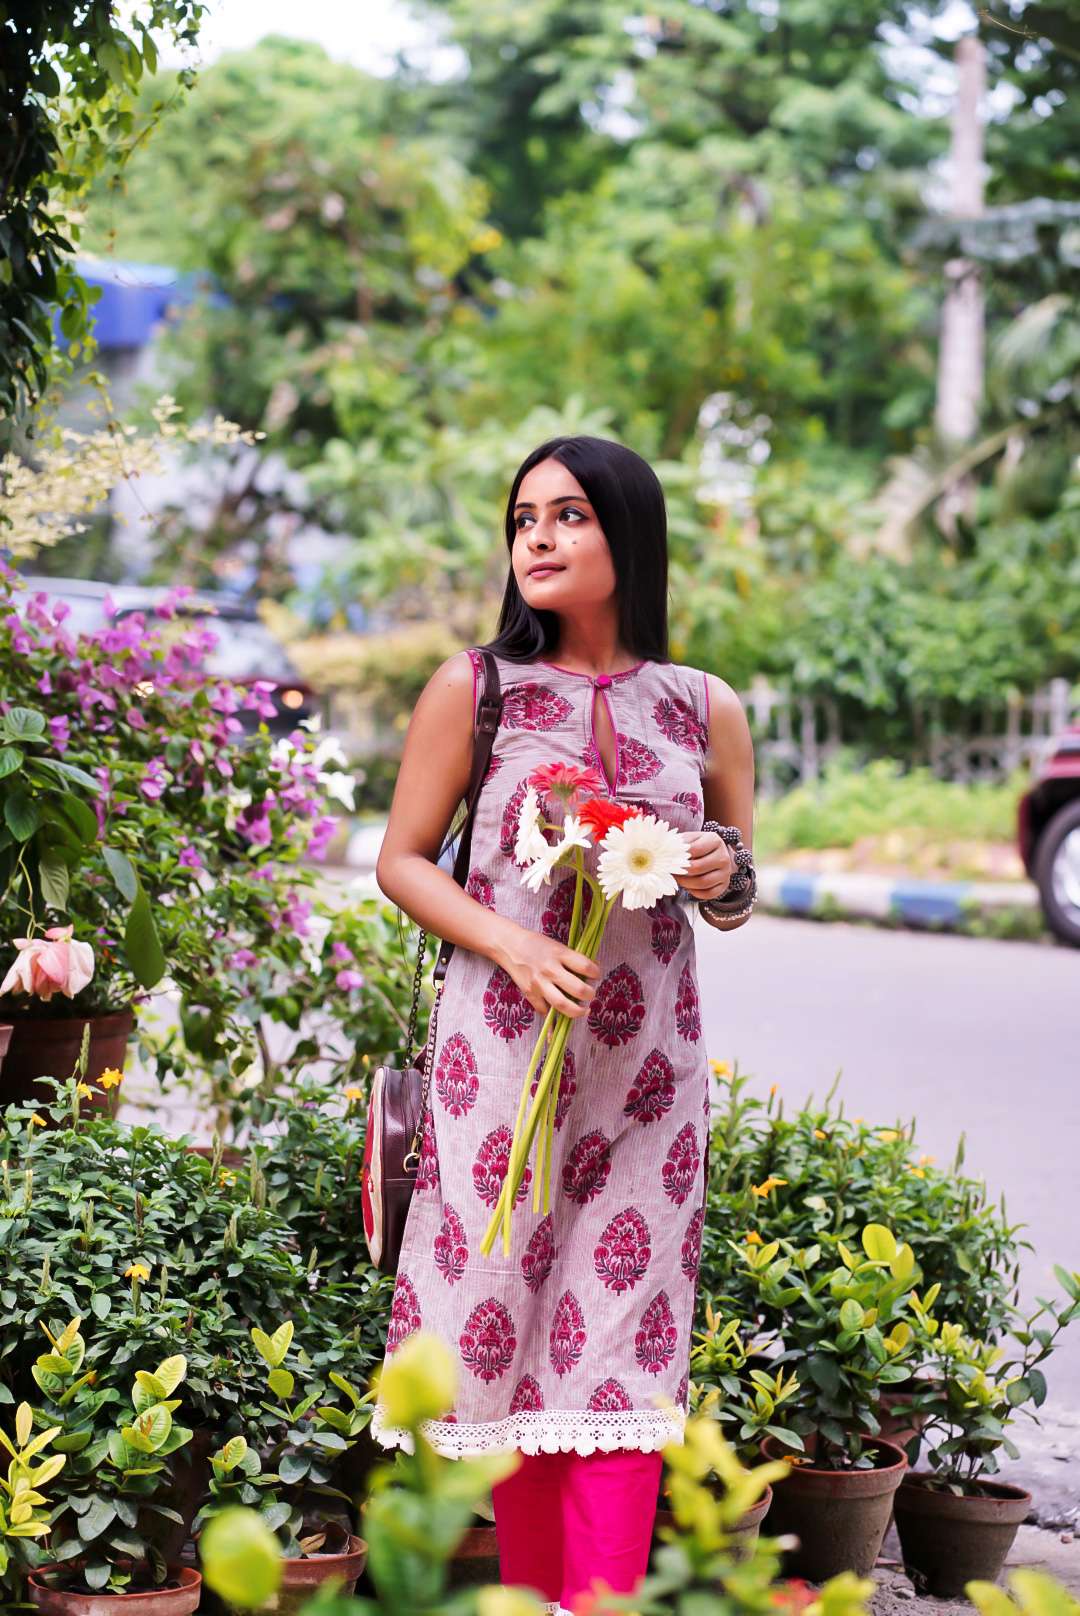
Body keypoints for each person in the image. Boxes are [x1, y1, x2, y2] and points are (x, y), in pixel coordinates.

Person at [370, 434, 756, 1615]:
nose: (537, 537)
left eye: (570, 514)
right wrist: (513, 942)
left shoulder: (705, 705)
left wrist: (715, 865)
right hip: (499, 1070)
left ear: (628, 531)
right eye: (523, 518)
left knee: (623, 1356)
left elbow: (738, 889)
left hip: (648, 1084)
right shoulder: (474, 688)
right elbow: (400, 859)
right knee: (500, 1347)